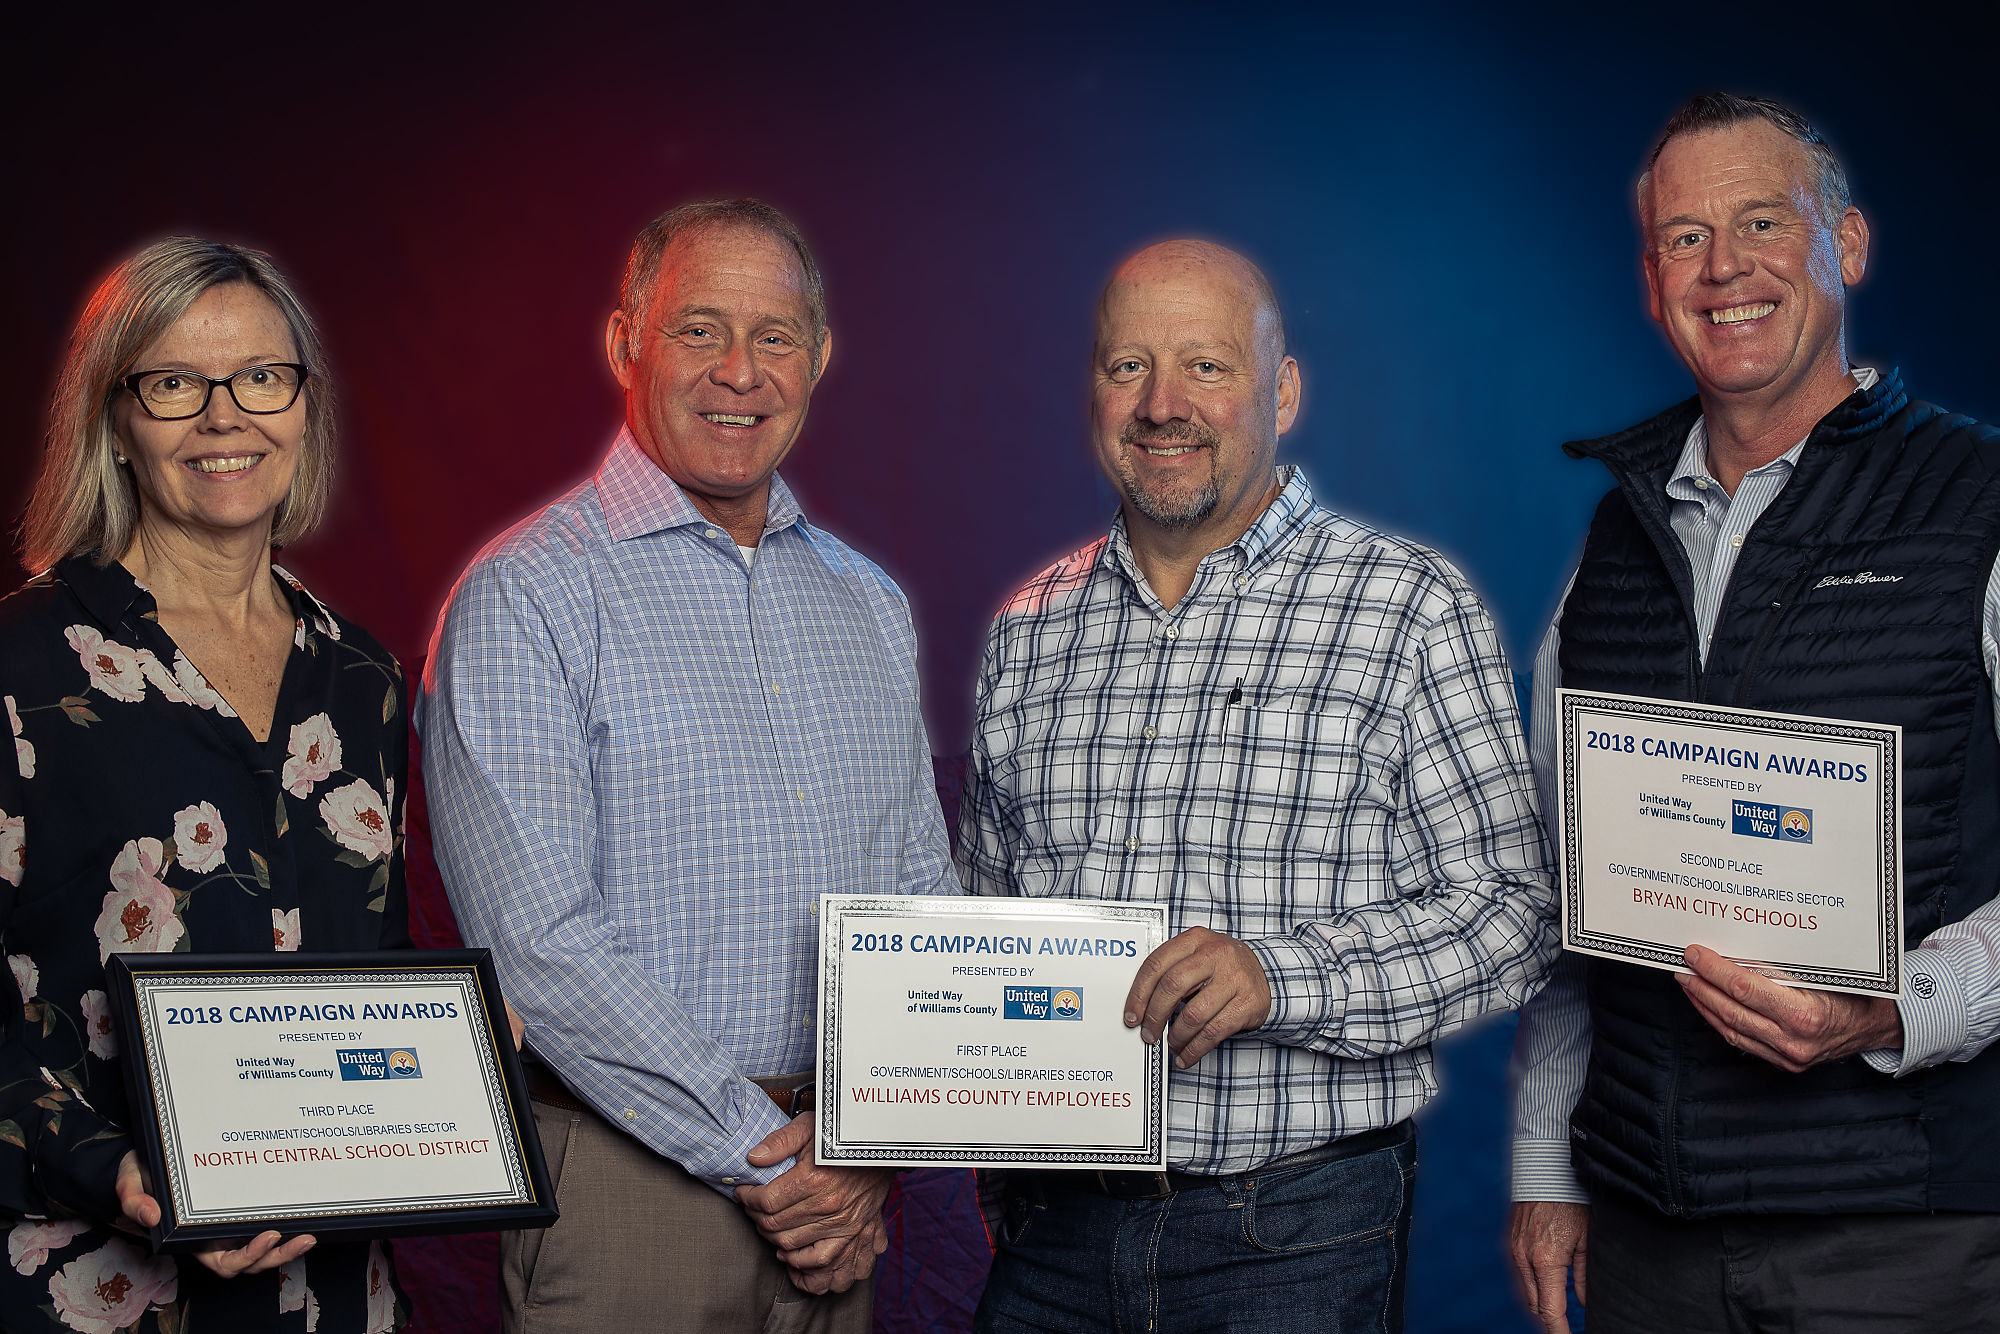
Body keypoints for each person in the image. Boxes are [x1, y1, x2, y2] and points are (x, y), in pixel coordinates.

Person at [956, 237, 1559, 1333]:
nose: (1160, 403)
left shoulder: (1406, 607)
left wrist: (1278, 977)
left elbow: (1512, 916)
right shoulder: (1026, 632)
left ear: (1280, 390)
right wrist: (996, 1167)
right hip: (1051, 1239)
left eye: (1206, 365)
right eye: (1126, 365)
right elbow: (982, 922)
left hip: (1289, 1231)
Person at [1508, 93, 2000, 1334]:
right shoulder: (1609, 545)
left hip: (1903, 1238)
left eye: (1760, 222)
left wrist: (1892, 1007)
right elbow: (1562, 885)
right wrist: (1544, 1163)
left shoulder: (1979, 502)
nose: (1720, 266)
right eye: (1682, 236)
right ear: (1648, 280)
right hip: (1644, 1234)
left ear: (1845, 247)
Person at [417, 199, 955, 1334]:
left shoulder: (869, 602)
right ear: (626, 343)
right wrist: (760, 1156)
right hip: (630, 1193)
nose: (740, 373)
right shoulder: (528, 595)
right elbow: (539, 944)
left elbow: (923, 902)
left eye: (774, 337)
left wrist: (871, 1143)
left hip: (842, 1195)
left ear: (818, 357)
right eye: (699, 330)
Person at [0, 238, 410, 1332]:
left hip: (331, 1288)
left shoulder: (362, 675)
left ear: (303, 405)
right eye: (176, 383)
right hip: (103, 1278)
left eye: (262, 378)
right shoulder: (27, 668)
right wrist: (109, 1165)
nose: (226, 417)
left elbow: (383, 969)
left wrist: (460, 1053)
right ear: (115, 421)